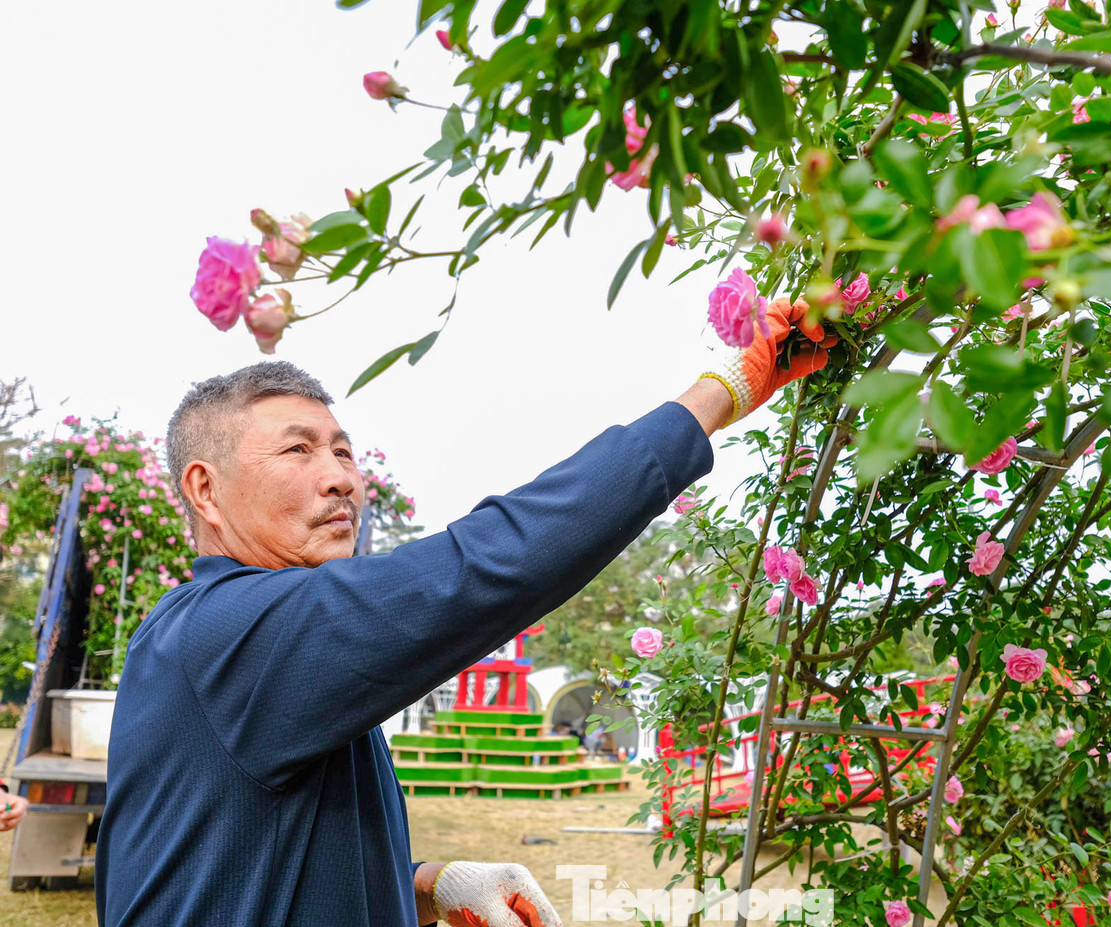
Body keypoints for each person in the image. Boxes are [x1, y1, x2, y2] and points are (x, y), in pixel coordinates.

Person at [94, 298, 832, 926]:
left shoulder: (244, 643)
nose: (341, 479)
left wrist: (426, 879)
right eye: (299, 450)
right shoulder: (235, 631)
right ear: (205, 488)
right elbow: (487, 564)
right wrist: (723, 390)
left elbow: (254, 860)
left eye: (346, 453)